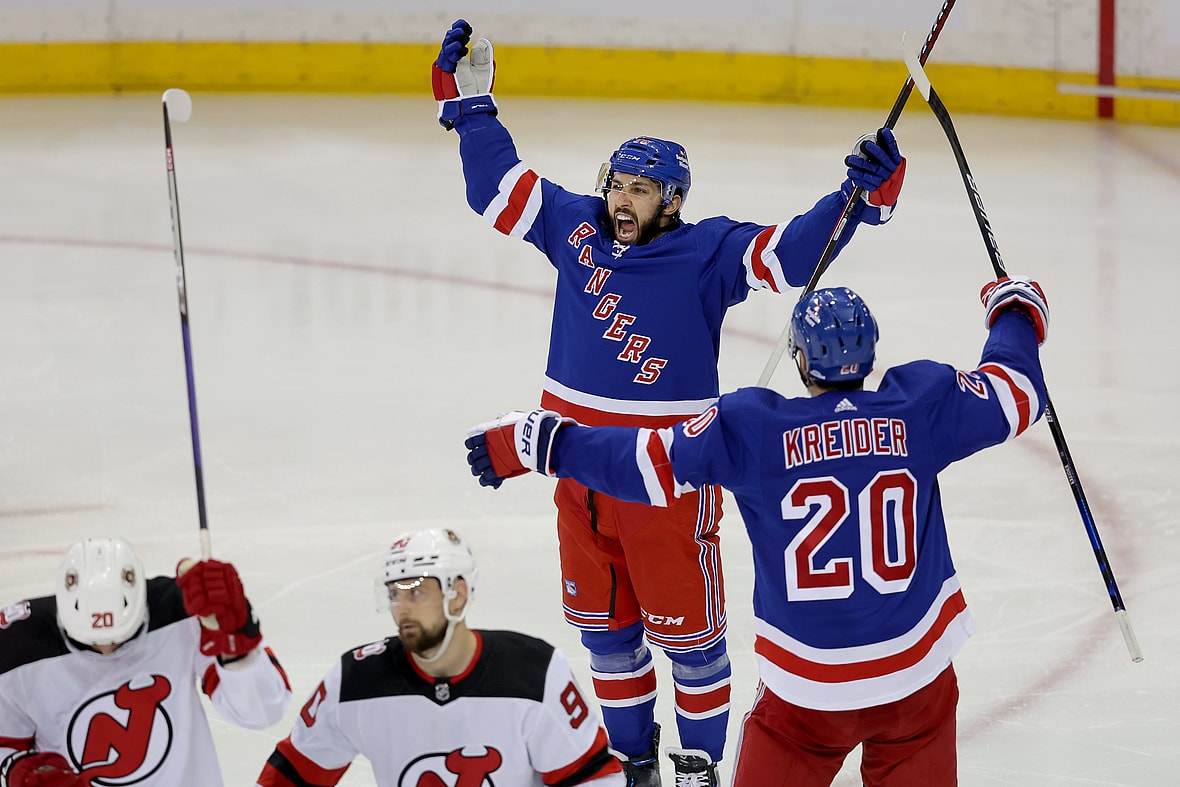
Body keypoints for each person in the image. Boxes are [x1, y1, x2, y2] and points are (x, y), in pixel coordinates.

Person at [433, 19, 907, 785]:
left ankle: (694, 767)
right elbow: (496, 189)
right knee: (608, 635)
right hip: (580, 480)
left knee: (691, 642)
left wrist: (858, 199)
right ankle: (633, 759)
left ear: (672, 199)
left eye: (640, 189)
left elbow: (790, 251)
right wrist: (474, 105)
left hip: (668, 484)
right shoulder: (575, 226)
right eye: (616, 183)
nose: (622, 200)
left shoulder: (707, 251)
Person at [465, 276, 1050, 785]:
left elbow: (644, 464)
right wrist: (1015, 310)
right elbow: (1017, 392)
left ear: (799, 358)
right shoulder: (920, 406)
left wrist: (542, 442)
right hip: (916, 680)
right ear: (871, 353)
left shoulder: (754, 427)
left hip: (807, 696)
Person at [255, 527, 625, 787]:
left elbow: (595, 779)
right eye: (394, 593)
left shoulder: (535, 672)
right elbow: (290, 776)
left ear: (458, 594)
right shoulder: (355, 680)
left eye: (416, 591)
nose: (402, 607)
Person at [0, 537, 291, 787]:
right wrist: (17, 769)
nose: (107, 651)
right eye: (91, 642)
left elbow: (262, 712)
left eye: (121, 639)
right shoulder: (17, 647)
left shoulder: (186, 610)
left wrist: (234, 641)